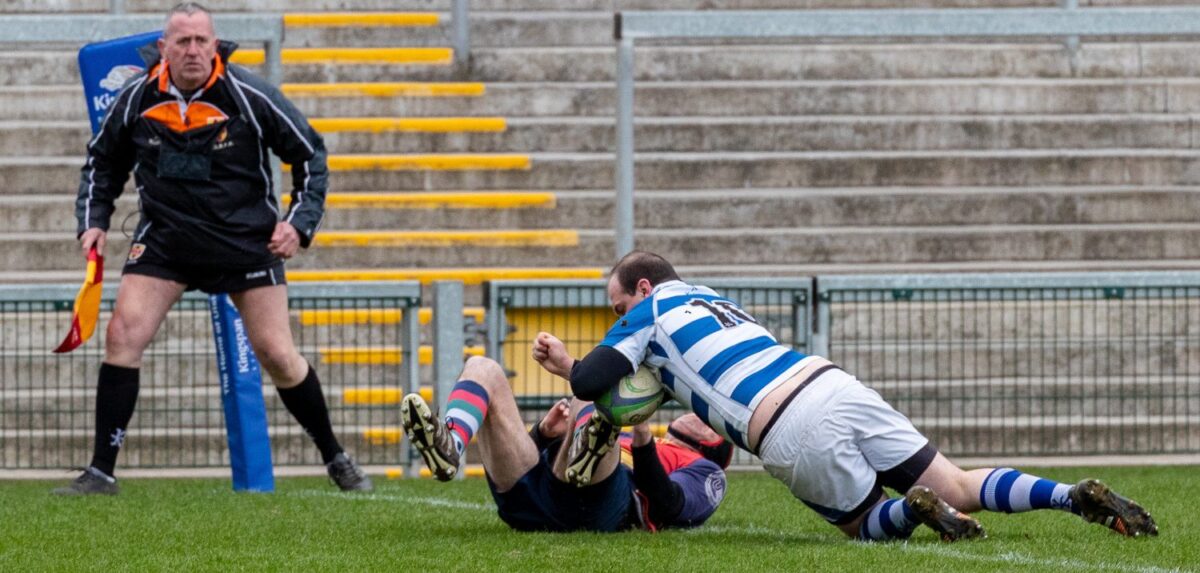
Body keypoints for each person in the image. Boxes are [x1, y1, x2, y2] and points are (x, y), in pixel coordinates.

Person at [531, 250, 1159, 542]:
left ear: (640, 288)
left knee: (863, 525)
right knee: (961, 484)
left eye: (617, 306)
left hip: (783, 424)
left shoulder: (647, 312)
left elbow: (592, 383)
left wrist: (568, 363)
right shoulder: (710, 297)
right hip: (831, 382)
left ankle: (910, 511)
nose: (617, 316)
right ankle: (1067, 495)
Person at [55, 2, 371, 495]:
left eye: (202, 40)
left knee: (278, 353)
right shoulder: (136, 97)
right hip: (165, 241)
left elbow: (310, 157)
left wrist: (297, 225)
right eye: (182, 41)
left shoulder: (247, 94)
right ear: (163, 49)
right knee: (122, 335)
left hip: (245, 243)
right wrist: (92, 222)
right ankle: (100, 472)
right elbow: (102, 162)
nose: (194, 50)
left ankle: (336, 457)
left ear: (215, 44)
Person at [400, 356, 728, 532]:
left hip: (598, 509)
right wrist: (544, 433)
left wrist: (642, 439)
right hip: (532, 494)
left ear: (715, 441)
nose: (698, 413)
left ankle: (583, 453)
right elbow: (526, 455)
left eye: (708, 419)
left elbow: (670, 506)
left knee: (594, 394)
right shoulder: (641, 434)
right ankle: (451, 443)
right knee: (482, 367)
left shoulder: (707, 469)